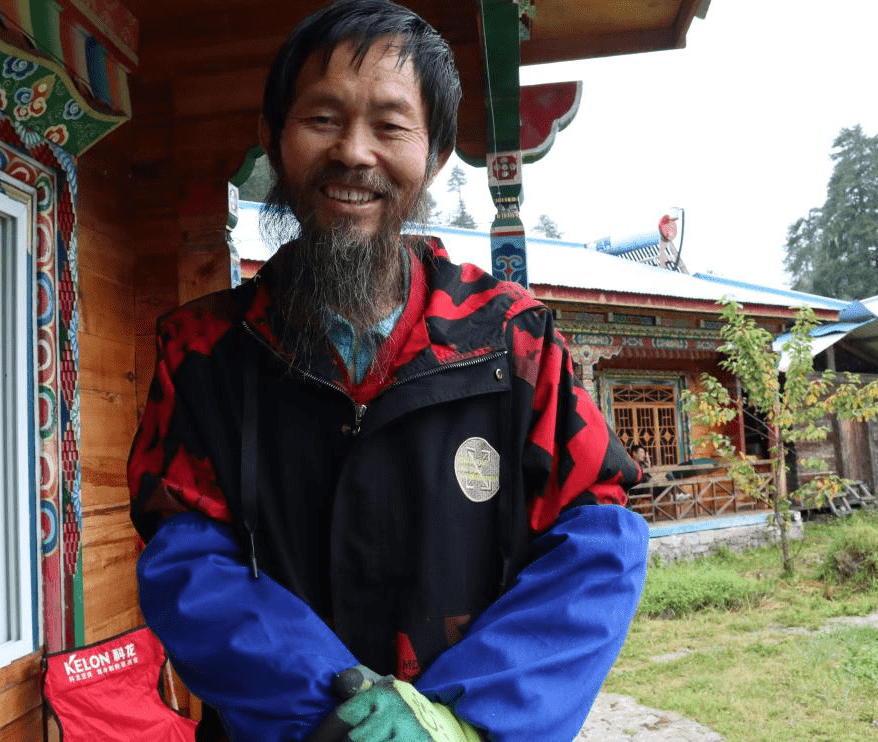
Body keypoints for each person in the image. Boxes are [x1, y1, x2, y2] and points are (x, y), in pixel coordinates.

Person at [127, 2, 649, 740]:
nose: (354, 152)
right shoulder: (204, 350)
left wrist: (457, 721)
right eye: (322, 118)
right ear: (274, 141)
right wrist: (329, 714)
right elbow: (185, 559)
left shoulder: (512, 340)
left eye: (391, 125)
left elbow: (598, 536)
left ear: (433, 156)